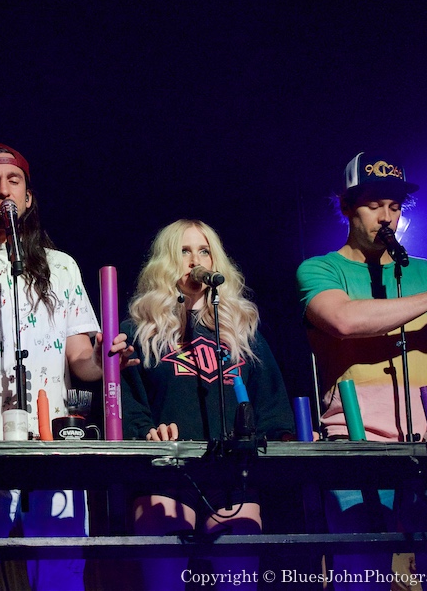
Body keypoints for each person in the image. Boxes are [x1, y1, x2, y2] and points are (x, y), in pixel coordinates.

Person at [0, 142, 132, 591]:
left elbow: (80, 360)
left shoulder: (61, 268)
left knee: (61, 567)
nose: (4, 191)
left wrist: (107, 360)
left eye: (13, 181)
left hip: (51, 434)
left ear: (28, 197)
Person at [296, 151, 427, 589]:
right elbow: (343, 321)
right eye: (373, 204)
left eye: (395, 206)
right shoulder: (320, 268)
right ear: (345, 207)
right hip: (355, 438)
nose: (386, 216)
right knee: (362, 569)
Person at [120, 219, 294, 591]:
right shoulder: (139, 331)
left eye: (204, 251)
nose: (194, 259)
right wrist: (145, 433)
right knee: (165, 579)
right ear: (166, 261)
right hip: (164, 469)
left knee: (238, 577)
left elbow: (270, 400)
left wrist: (268, 440)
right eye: (184, 251)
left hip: (232, 472)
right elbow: (128, 402)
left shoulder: (242, 331)